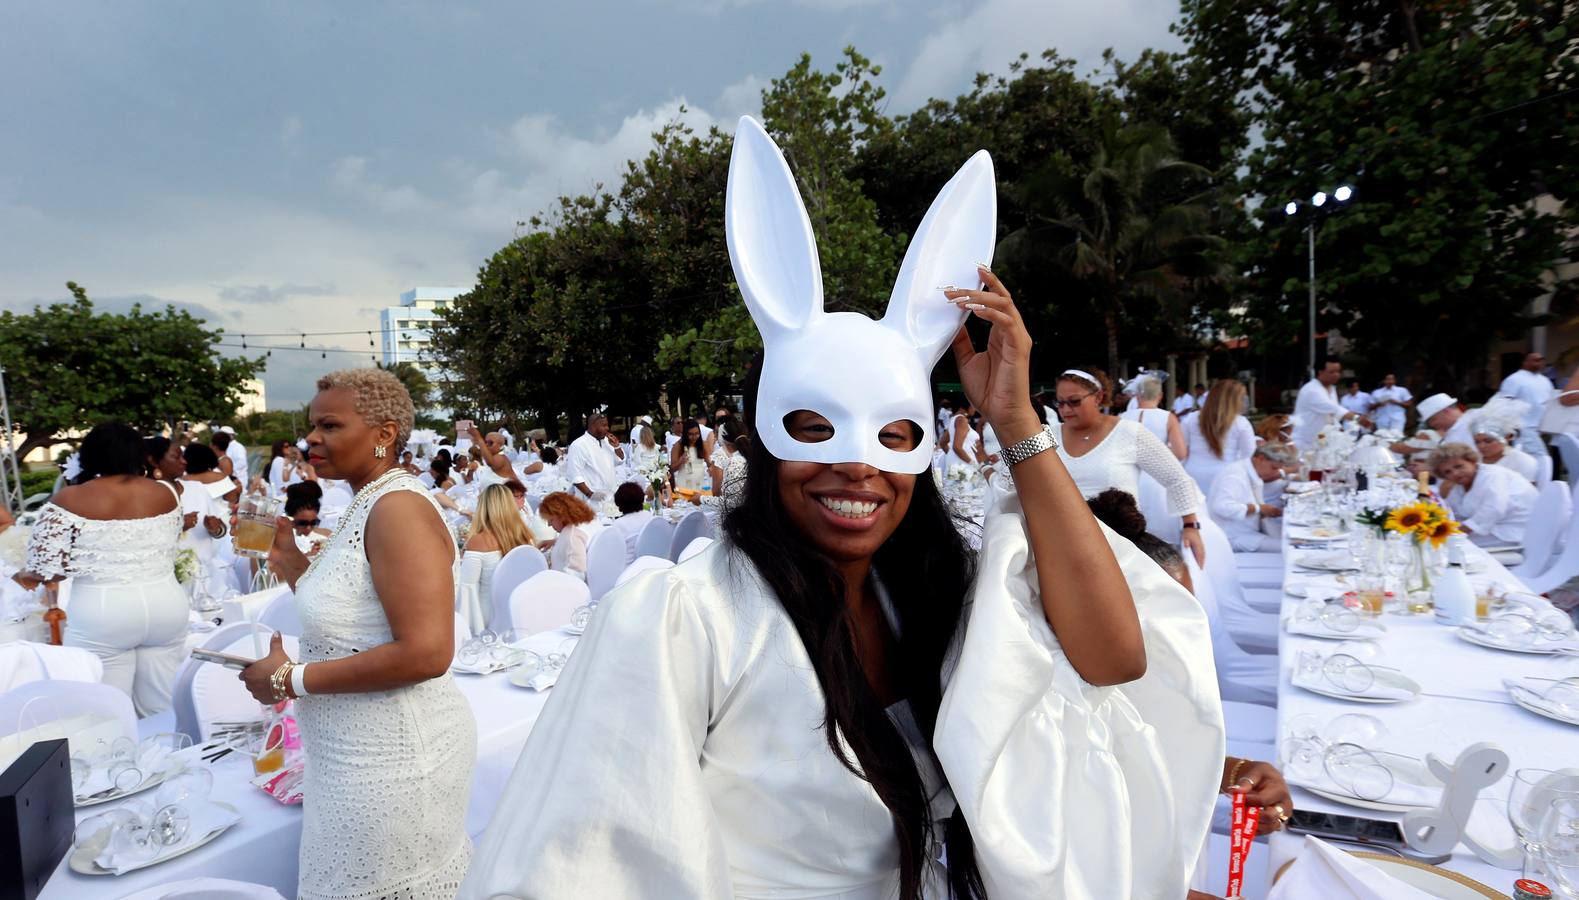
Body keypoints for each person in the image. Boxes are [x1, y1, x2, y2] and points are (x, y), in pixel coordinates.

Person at [462, 147, 1220, 900]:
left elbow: (1114, 657)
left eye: (894, 436)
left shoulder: (932, 588)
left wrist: (1015, 418)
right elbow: (586, 862)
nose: (859, 467)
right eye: (812, 427)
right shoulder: (684, 616)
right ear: (760, 435)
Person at [240, 367, 475, 900]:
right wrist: (293, 566)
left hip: (394, 762)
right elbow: (356, 620)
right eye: (311, 427)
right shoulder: (364, 501)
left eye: (329, 425)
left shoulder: (397, 510)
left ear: (384, 434)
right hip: (352, 755)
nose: (311, 440)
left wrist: (290, 679)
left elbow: (427, 652)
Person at [1082, 489, 1293, 900]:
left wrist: (1233, 772)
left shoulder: (1162, 685)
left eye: (1189, 617)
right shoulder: (1049, 708)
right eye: (1165, 624)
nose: (1183, 640)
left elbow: (1157, 749)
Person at [15, 423, 186, 715]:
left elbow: (49, 571)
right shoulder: (167, 493)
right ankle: (173, 758)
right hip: (168, 605)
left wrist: (21, 575)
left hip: (104, 612)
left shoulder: (70, 498)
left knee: (106, 712)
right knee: (164, 708)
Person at [1054, 367, 1207, 564]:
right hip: (1063, 542)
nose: (1066, 409)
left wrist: (1190, 526)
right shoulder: (1049, 435)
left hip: (1118, 544)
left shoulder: (1128, 432)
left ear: (1098, 397)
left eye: (1074, 401)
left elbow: (1176, 478)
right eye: (1060, 403)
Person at [1432, 443, 1539, 548]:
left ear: (1472, 461)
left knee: (1449, 545)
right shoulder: (1459, 485)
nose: (1455, 473)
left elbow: (1493, 509)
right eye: (1448, 472)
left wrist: (1459, 531)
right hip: (1491, 529)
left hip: (1514, 532)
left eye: (1459, 466)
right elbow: (1455, 512)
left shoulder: (1493, 475)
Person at [465, 483, 537, 625]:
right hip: (522, 613)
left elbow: (467, 591)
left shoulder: (478, 541)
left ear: (483, 508)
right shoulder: (525, 536)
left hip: (489, 618)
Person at [1208, 443, 1297, 552]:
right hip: (1233, 536)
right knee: (1290, 548)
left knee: (1293, 539)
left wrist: (1266, 511)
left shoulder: (1250, 472)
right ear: (1261, 458)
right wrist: (1258, 508)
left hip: (1247, 531)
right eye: (1273, 468)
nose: (1274, 473)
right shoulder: (1235, 475)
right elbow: (1220, 507)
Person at [1182, 379, 1256, 495]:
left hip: (1193, 473)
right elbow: (1249, 454)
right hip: (1226, 475)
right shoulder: (1241, 423)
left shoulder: (1190, 419)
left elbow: (1182, 450)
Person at [1292, 357, 1365, 449]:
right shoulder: (1312, 390)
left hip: (1321, 438)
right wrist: (1357, 418)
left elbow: (1330, 416)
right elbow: (1335, 409)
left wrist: (1339, 429)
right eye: (1331, 372)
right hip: (1305, 441)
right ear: (1320, 372)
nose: (1336, 375)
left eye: (1338, 371)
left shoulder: (1331, 389)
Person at [1498, 351, 1554, 456]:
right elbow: (1504, 403)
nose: (1540, 363)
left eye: (1542, 360)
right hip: (1524, 429)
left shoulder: (1545, 380)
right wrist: (1510, 426)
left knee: (1545, 461)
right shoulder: (1514, 379)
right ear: (1525, 362)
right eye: (1536, 360)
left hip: (1544, 429)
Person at [1120, 376, 1187, 460]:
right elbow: (1180, 454)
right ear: (1160, 395)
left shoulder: (1121, 417)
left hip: (1128, 470)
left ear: (1137, 396)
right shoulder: (1168, 418)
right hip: (1157, 469)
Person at [1393, 393, 1474, 455]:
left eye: (1433, 420)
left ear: (1446, 411)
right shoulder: (1451, 431)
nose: (1432, 425)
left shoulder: (1473, 424)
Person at [567, 414, 625, 500]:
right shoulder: (578, 445)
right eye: (604, 425)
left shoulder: (607, 441)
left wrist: (616, 446)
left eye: (607, 425)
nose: (607, 428)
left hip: (611, 497)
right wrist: (590, 494)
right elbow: (574, 475)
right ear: (593, 426)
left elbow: (619, 460)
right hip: (591, 500)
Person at [537, 491, 595, 579]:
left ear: (562, 516)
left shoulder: (572, 535)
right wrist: (555, 541)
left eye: (551, 520)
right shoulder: (586, 523)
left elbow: (576, 573)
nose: (549, 524)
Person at [606, 482, 653, 564]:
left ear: (619, 503)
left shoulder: (618, 524)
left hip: (628, 567)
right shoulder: (648, 515)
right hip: (649, 561)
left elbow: (611, 552)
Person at [284, 481, 332, 556]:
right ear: (292, 520)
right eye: (303, 523)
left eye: (313, 522)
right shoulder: (285, 541)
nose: (309, 528)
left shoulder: (327, 535)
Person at [670, 419, 710, 492]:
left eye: (697, 433)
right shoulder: (677, 446)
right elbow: (672, 469)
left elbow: (709, 464)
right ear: (685, 434)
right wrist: (681, 461)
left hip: (700, 483)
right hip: (684, 484)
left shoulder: (703, 444)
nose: (694, 437)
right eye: (691, 434)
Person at [945, 397, 985, 469]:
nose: (975, 409)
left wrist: (952, 456)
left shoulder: (954, 419)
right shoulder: (961, 420)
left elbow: (943, 442)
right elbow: (957, 447)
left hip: (958, 463)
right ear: (968, 404)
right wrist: (973, 463)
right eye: (974, 406)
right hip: (964, 465)